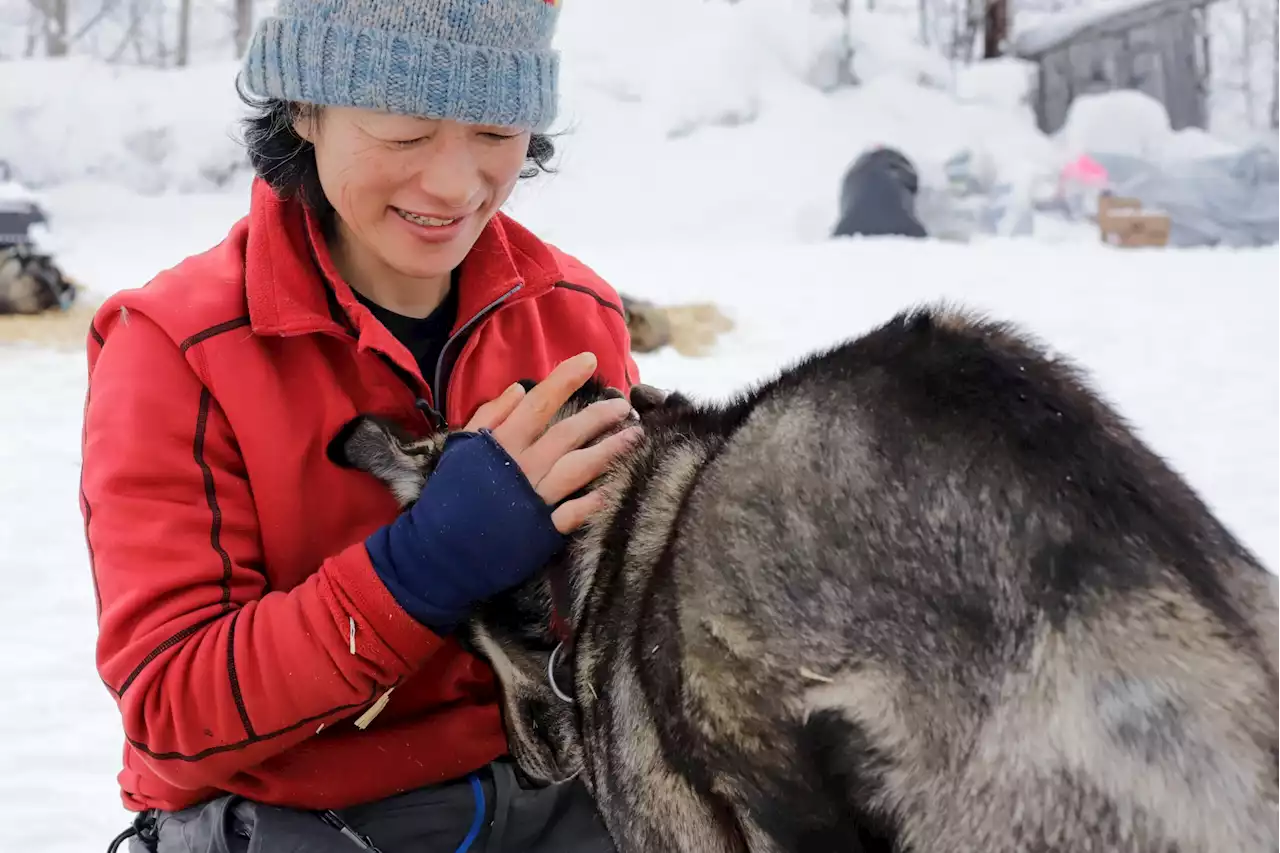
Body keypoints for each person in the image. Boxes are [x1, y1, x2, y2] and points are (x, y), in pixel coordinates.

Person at [81, 2, 642, 851]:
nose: (455, 185)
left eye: (496, 128)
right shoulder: (179, 350)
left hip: (560, 805)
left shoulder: (574, 316)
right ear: (304, 108)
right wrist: (421, 567)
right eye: (406, 128)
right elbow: (171, 713)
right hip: (306, 823)